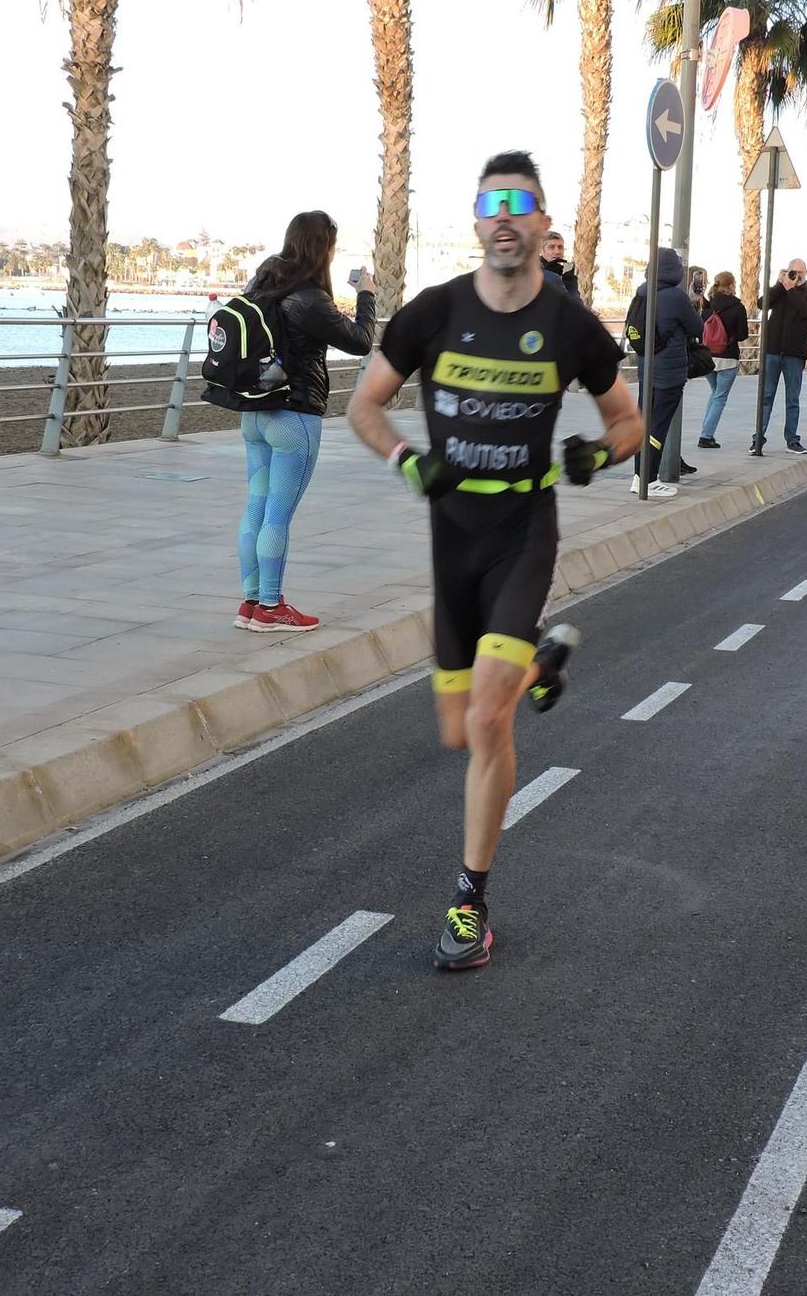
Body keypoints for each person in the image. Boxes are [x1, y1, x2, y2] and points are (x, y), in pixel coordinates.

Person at [346, 150, 642, 970]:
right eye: (492, 203)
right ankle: (542, 657)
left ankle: (470, 904)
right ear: (476, 221)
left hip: (523, 533)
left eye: (522, 205)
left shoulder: (571, 325)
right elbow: (363, 406)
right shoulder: (433, 313)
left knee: (486, 721)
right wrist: (411, 462)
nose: (505, 217)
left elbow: (630, 423)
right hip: (452, 540)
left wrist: (597, 457)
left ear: (545, 227)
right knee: (454, 732)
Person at [229, 212, 376, 633]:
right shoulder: (309, 297)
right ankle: (272, 607)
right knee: (278, 515)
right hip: (294, 418)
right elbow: (360, 341)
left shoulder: (263, 282)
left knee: (256, 506)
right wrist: (365, 294)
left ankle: (251, 603)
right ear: (324, 248)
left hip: (255, 413)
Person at [634, 247, 702, 495]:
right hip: (669, 372)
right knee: (658, 427)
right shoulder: (675, 296)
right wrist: (693, 305)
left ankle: (638, 477)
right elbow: (698, 328)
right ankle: (650, 481)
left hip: (646, 369)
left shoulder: (643, 291)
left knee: (644, 423)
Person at [753, 261, 807, 455]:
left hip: (794, 354)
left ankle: (792, 439)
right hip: (772, 350)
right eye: (792, 272)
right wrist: (780, 284)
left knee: (792, 399)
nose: (796, 275)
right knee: (766, 396)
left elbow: (806, 311)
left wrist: (791, 289)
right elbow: (762, 304)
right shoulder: (780, 290)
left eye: (799, 272)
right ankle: (758, 438)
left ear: (806, 272)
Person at [696, 270, 748, 448]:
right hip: (728, 358)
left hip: (708, 358)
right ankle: (706, 435)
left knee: (715, 393)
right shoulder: (738, 307)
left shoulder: (708, 306)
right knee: (720, 397)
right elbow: (742, 335)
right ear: (732, 286)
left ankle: (706, 432)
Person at [539, 230, 580, 300]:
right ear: (541, 250)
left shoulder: (565, 273)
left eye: (560, 247)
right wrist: (549, 274)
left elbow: (576, 304)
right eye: (551, 247)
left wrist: (569, 281)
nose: (557, 251)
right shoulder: (532, 271)